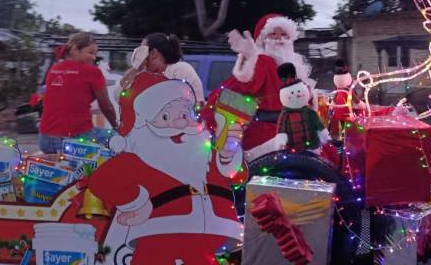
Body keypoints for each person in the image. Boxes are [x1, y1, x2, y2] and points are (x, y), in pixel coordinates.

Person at [89, 73, 243, 264]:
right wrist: (137, 202)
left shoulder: (203, 154)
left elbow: (237, 176)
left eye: (185, 114)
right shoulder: (139, 158)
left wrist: (228, 152)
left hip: (210, 230)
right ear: (143, 125)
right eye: (165, 116)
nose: (180, 123)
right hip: (158, 229)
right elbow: (100, 180)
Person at [200, 13, 316, 161]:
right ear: (263, 40)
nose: (280, 39)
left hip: (288, 128)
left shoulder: (293, 67)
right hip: (266, 133)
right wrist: (250, 56)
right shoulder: (264, 61)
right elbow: (250, 81)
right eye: (273, 34)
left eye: (284, 35)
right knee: (312, 154)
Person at [38, 32, 118, 153]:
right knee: (117, 138)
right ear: (75, 48)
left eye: (95, 54)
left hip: (45, 140)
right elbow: (106, 107)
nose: (93, 57)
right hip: (75, 140)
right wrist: (116, 127)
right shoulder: (92, 72)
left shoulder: (54, 69)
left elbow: (67, 99)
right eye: (90, 52)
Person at [120, 33, 205, 105]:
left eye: (142, 52)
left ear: (153, 53)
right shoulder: (150, 75)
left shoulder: (180, 70)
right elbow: (121, 92)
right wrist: (136, 67)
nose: (141, 57)